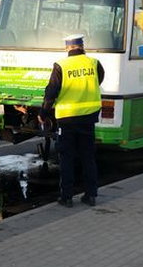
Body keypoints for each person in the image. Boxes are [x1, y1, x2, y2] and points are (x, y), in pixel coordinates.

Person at [39, 34, 104, 208]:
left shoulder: (61, 65)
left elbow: (51, 91)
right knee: (88, 156)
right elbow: (100, 79)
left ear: (67, 48)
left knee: (66, 157)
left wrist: (43, 112)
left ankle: (67, 197)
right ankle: (90, 195)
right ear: (82, 46)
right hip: (89, 116)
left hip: (67, 119)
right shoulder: (94, 63)